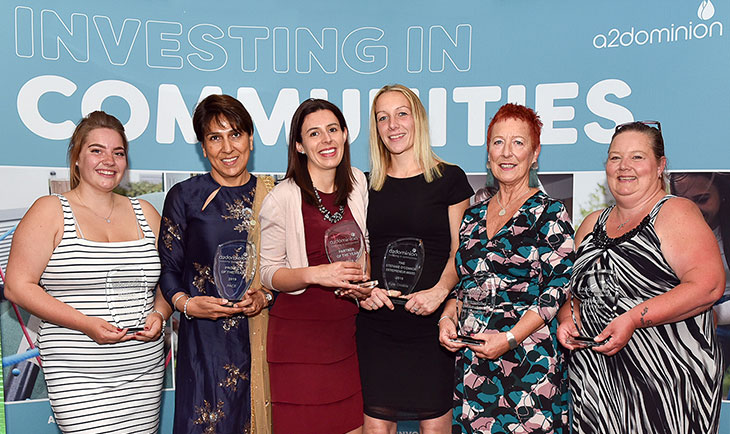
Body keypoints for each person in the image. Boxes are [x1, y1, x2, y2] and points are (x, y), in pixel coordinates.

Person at [4, 111, 170, 433]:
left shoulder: (147, 213)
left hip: (143, 370)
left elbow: (166, 281)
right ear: (77, 159)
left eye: (118, 152)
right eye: (97, 150)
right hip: (77, 372)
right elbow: (17, 286)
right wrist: (86, 324)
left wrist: (161, 314)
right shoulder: (50, 211)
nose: (109, 160)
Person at [556, 121, 725, 433]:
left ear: (660, 166)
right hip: (596, 389)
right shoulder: (591, 223)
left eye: (637, 157)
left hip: (666, 391)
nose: (624, 167)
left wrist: (633, 319)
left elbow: (709, 285)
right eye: (615, 157)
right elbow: (575, 293)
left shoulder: (676, 212)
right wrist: (569, 317)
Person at [438, 103, 574, 433]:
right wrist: (446, 317)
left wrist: (511, 338)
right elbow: (466, 283)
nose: (506, 152)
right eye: (498, 142)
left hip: (529, 366)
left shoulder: (550, 213)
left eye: (518, 142)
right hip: (474, 368)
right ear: (488, 153)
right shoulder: (471, 217)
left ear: (535, 153)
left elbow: (557, 290)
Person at [358, 84, 473, 433]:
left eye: (401, 114)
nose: (393, 125)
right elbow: (362, 250)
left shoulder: (449, 178)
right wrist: (363, 290)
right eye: (383, 118)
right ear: (376, 128)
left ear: (418, 119)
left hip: (433, 329)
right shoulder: (365, 184)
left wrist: (439, 292)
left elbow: (461, 250)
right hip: (378, 326)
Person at [158, 94, 274, 433]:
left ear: (251, 138)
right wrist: (188, 304)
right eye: (214, 137)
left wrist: (265, 296)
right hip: (205, 344)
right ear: (203, 147)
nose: (227, 148)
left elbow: (284, 267)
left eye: (235, 134)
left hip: (263, 336)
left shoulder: (275, 195)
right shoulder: (185, 196)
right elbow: (169, 268)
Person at [259, 98, 370, 434]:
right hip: (298, 342)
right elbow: (267, 273)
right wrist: (315, 275)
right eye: (314, 133)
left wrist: (364, 285)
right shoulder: (282, 198)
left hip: (346, 337)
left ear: (346, 134)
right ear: (300, 145)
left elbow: (362, 244)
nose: (326, 140)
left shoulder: (357, 183)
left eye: (333, 130)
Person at [671, 172, 730, 378]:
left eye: (702, 199)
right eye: (684, 202)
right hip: (701, 313)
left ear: (721, 195)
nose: (693, 209)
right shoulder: (670, 234)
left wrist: (714, 314)